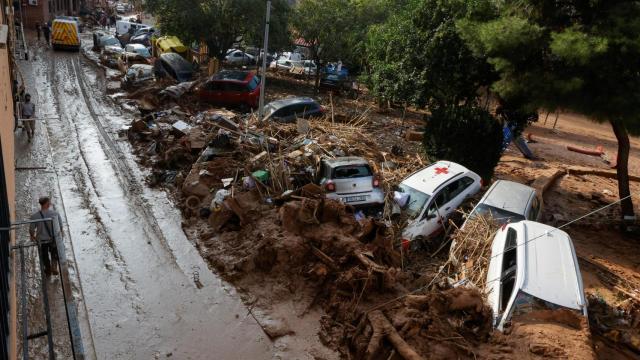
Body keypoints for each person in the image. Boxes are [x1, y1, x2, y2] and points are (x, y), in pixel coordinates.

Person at [29, 197, 64, 276]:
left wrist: (32, 236)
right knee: (54, 253)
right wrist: (60, 237)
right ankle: (54, 267)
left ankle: (47, 269)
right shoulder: (55, 214)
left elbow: (31, 229)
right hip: (53, 238)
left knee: (44, 255)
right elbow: (60, 227)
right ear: (47, 204)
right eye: (49, 202)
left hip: (41, 240)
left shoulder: (35, 216)